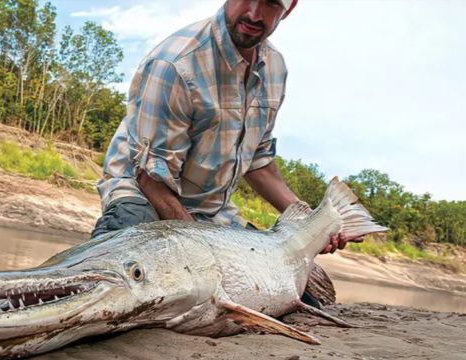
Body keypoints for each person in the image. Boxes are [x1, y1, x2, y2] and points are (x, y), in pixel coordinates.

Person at [93, 0, 357, 257]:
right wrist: (206, 254)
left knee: (301, 293)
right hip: (144, 195)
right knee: (126, 269)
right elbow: (151, 180)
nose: (254, 14)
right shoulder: (175, 63)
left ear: (289, 8)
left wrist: (315, 223)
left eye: (271, 3)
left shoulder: (275, 68)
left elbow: (258, 161)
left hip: (211, 213)